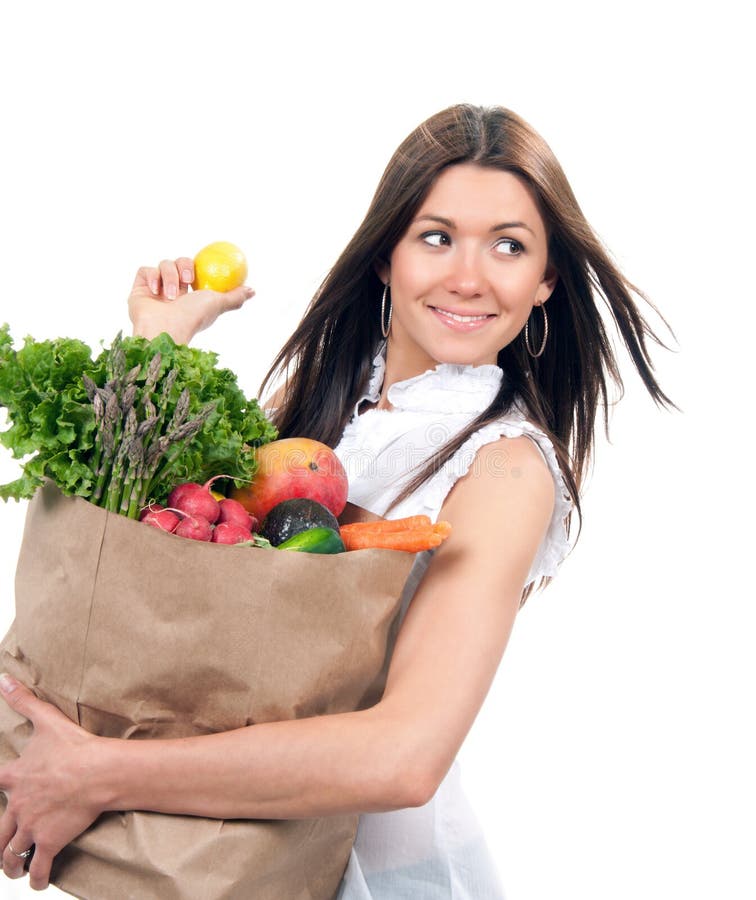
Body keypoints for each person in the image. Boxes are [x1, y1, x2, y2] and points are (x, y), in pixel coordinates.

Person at [0, 103, 672, 896]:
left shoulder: (505, 470)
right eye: (436, 235)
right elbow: (187, 572)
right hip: (224, 853)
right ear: (385, 255)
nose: (468, 274)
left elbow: (403, 755)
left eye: (509, 246)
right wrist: (162, 340)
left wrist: (103, 772)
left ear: (545, 280)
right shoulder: (323, 407)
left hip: (364, 876)